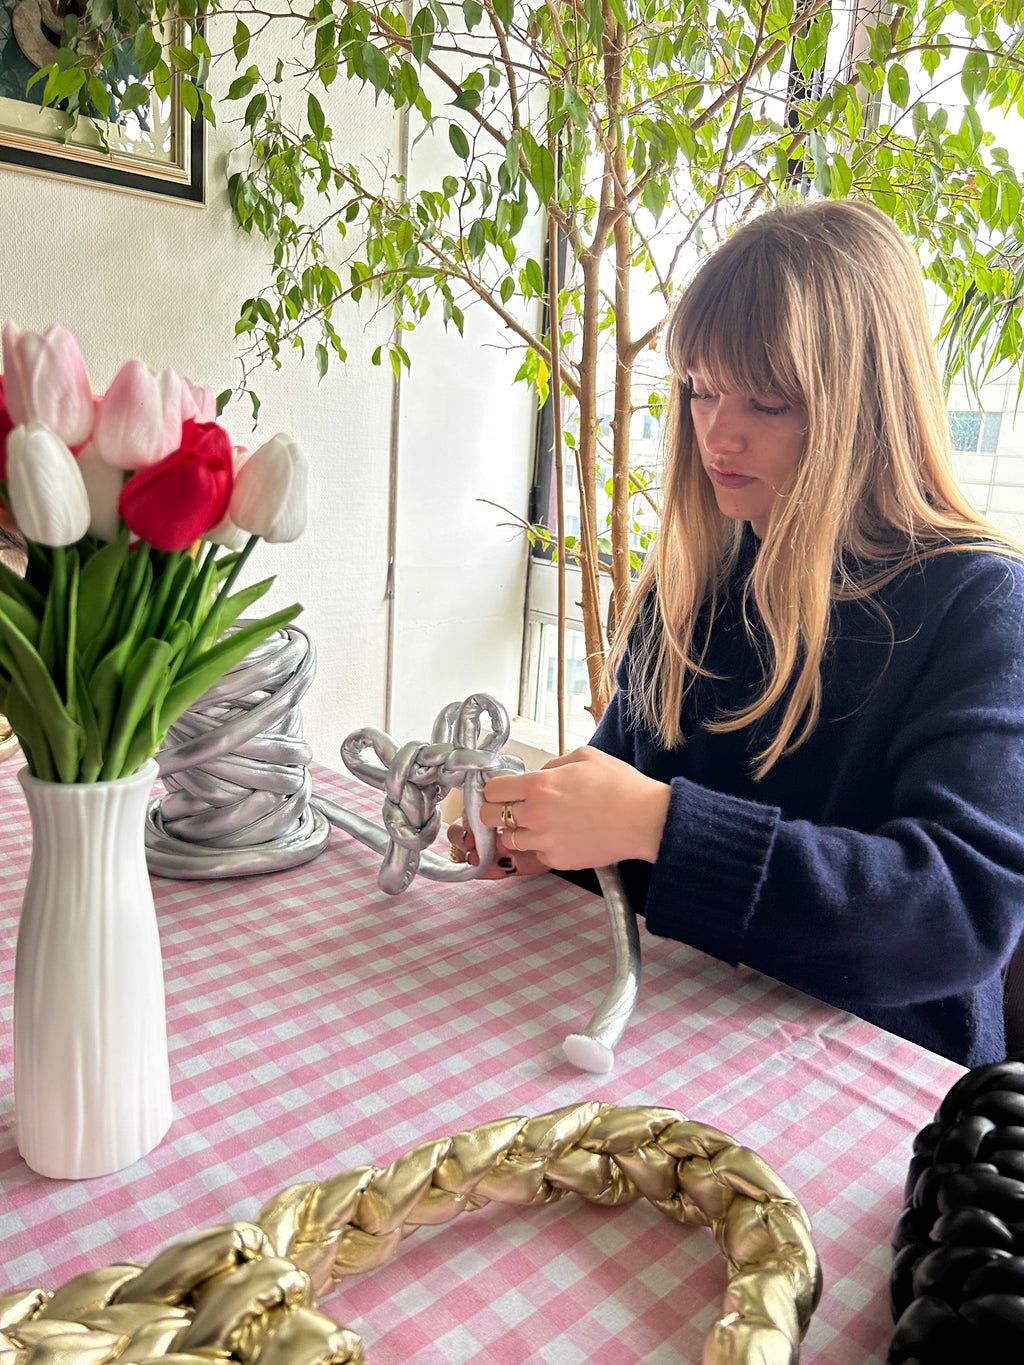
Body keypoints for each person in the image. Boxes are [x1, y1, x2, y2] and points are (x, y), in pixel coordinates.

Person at [447, 198, 1024, 1069]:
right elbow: (635, 826)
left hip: (889, 1081)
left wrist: (657, 821)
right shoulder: (690, 586)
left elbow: (952, 915)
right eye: (701, 388)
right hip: (688, 1025)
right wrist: (552, 835)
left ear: (868, 406)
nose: (717, 431)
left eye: (769, 399)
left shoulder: (983, 604)